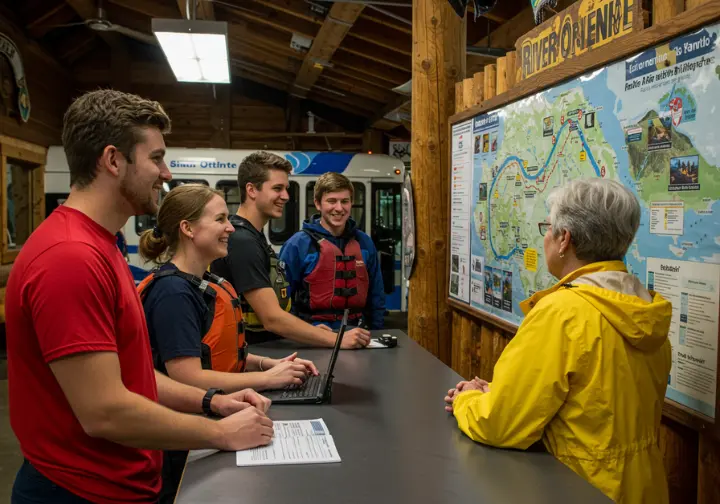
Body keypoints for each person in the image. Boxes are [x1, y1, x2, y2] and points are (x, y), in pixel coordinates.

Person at [5, 89, 274, 504]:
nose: (165, 173)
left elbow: (133, 378)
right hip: (82, 492)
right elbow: (105, 410)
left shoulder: (102, 245)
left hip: (120, 485)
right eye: (155, 158)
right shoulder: (71, 257)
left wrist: (212, 402)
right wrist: (219, 433)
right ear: (113, 160)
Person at [444, 179, 672, 504]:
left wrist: (467, 400)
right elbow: (598, 397)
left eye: (547, 228)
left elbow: (499, 424)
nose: (546, 238)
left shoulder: (562, 312)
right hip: (643, 486)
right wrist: (501, 392)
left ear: (564, 239)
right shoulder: (645, 305)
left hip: (580, 485)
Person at [137, 183, 318, 502]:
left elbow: (212, 352)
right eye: (220, 219)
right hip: (181, 447)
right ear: (188, 229)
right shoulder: (173, 295)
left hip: (208, 420)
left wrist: (269, 364)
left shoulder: (203, 284)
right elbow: (186, 376)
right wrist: (266, 380)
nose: (230, 227)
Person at [210, 151, 371, 348]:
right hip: (250, 354)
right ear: (251, 190)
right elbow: (272, 319)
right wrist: (338, 340)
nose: (286, 196)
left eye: (286, 189)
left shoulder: (253, 237)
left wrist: (310, 330)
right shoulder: (243, 241)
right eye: (277, 188)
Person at [279, 172, 385, 330]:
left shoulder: (364, 243)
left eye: (345, 201)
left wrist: (376, 333)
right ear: (318, 203)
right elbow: (284, 302)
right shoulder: (297, 245)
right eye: (331, 201)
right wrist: (304, 332)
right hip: (313, 334)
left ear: (351, 203)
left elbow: (376, 296)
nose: (339, 208)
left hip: (357, 331)